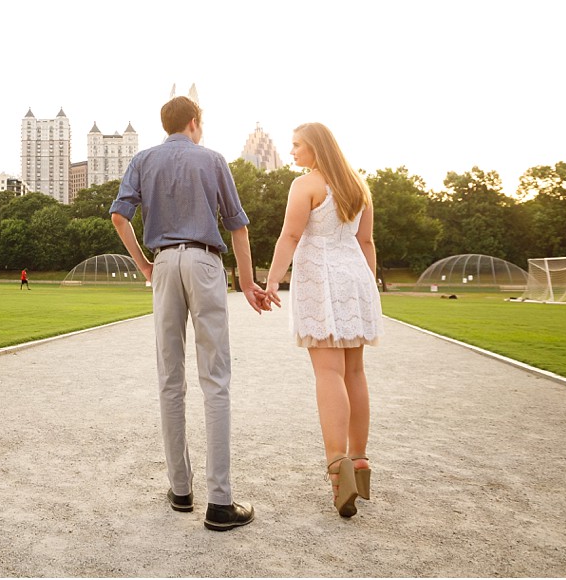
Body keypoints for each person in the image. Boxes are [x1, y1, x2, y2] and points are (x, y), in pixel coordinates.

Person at [110, 95, 271, 532]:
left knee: (170, 377)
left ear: (167, 125)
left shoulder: (143, 160)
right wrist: (249, 282)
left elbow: (119, 217)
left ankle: (180, 490)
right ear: (195, 123)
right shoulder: (213, 159)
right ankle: (220, 502)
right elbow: (237, 225)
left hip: (163, 262)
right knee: (215, 379)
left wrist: (145, 264)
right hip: (203, 261)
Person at [260, 122, 383, 518]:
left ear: (315, 147)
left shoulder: (306, 185)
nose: (292, 151)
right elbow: (366, 242)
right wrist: (370, 289)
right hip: (355, 278)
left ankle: (337, 468)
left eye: (297, 145)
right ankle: (359, 461)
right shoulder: (358, 186)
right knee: (355, 373)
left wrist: (273, 280)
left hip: (320, 278)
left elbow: (290, 236)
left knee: (328, 373)